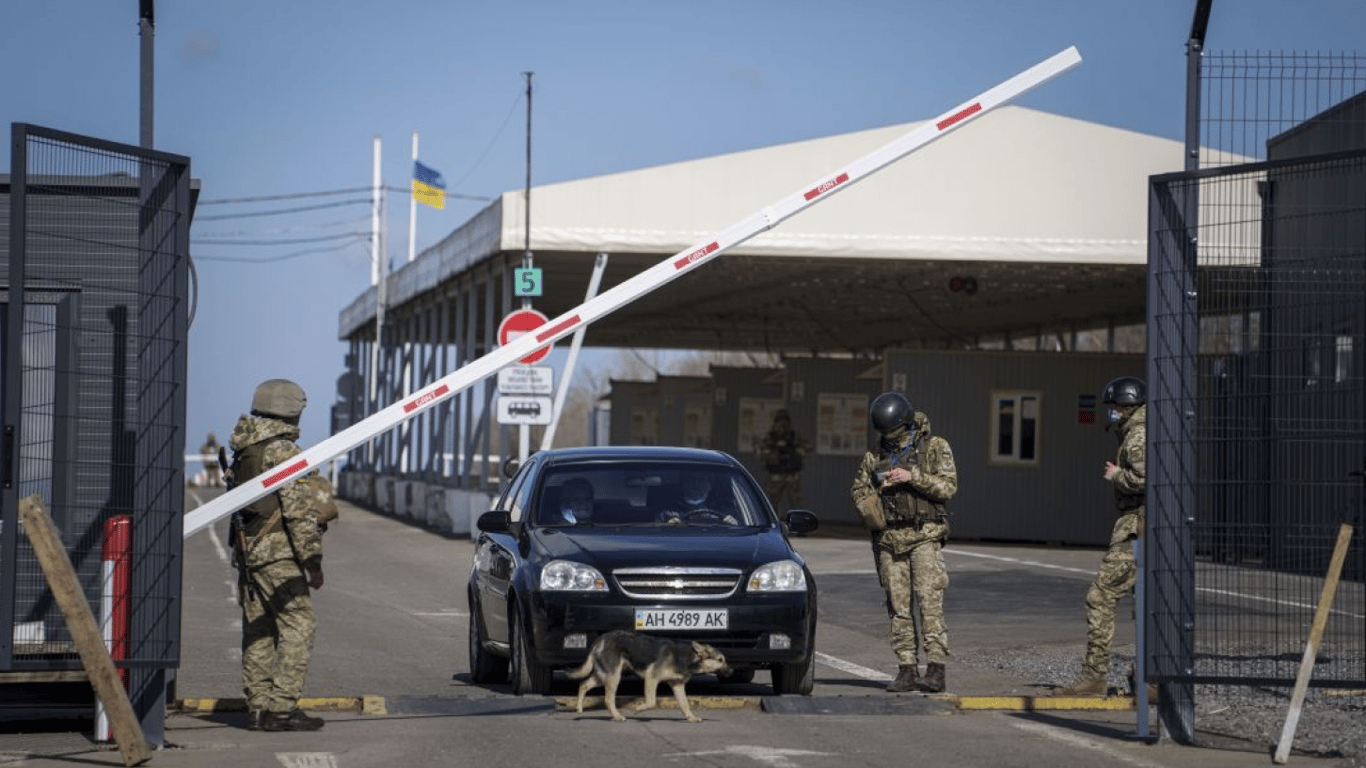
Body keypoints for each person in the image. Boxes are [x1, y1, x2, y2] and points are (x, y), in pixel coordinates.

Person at [227, 379, 327, 732]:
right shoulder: (282, 451)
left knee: (259, 629)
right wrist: (312, 561)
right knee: (299, 625)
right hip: (278, 554)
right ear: (292, 410)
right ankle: (282, 707)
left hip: (248, 552)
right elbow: (298, 512)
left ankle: (257, 707)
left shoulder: (245, 448)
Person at [850, 392, 958, 694]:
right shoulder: (874, 456)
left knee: (929, 602)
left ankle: (936, 669)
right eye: (885, 434)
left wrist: (912, 476)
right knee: (898, 607)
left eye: (894, 433)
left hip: (924, 535)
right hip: (889, 539)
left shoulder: (935, 447)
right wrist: (873, 496)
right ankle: (906, 669)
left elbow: (948, 487)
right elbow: (858, 491)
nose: (890, 439)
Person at [1058, 376, 1147, 696]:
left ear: (1125, 406)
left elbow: (1144, 478)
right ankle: (1150, 678)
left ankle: (1095, 676)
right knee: (1147, 602)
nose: (1111, 414)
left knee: (1100, 595)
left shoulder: (1138, 434)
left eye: (1113, 408)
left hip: (1137, 528)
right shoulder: (1142, 430)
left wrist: (1116, 475)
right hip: (1141, 527)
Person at [755, 410, 811, 513]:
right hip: (775, 475)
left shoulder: (795, 437)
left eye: (785, 422)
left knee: (796, 504)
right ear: (775, 423)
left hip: (792, 475)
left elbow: (808, 449)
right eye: (779, 421)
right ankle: (773, 526)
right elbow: (759, 452)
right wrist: (773, 452)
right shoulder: (769, 438)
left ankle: (797, 525)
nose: (782, 425)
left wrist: (794, 449)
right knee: (772, 505)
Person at [658, 472, 738, 525]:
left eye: (701, 479)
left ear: (710, 485)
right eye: (691, 479)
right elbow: (655, 530)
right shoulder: (668, 511)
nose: (696, 484)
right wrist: (667, 525)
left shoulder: (724, 508)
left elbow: (743, 528)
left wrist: (733, 523)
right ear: (683, 484)